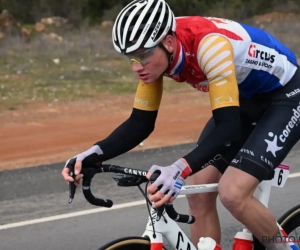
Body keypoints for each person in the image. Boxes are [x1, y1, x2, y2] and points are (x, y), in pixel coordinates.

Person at [62, 0, 300, 249]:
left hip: (285, 97)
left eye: (143, 55)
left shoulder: (210, 46)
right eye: (130, 57)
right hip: (243, 99)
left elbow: (227, 129)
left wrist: (178, 167)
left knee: (233, 193)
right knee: (197, 193)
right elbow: (140, 124)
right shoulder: (158, 56)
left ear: (168, 42)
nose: (137, 67)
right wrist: (91, 154)